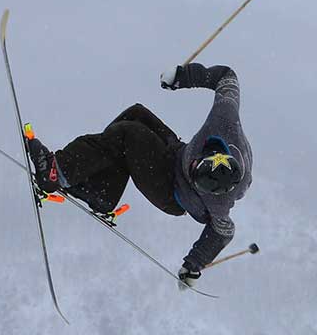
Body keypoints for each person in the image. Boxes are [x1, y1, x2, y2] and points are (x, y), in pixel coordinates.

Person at [23, 61, 253, 285]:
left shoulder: (220, 201)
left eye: (197, 181)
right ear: (211, 152)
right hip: (178, 155)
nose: (193, 172)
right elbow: (227, 77)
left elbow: (224, 232)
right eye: (196, 169)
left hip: (170, 192)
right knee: (136, 114)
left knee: (128, 135)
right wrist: (183, 77)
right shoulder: (225, 119)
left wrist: (194, 264)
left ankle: (57, 172)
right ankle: (100, 192)